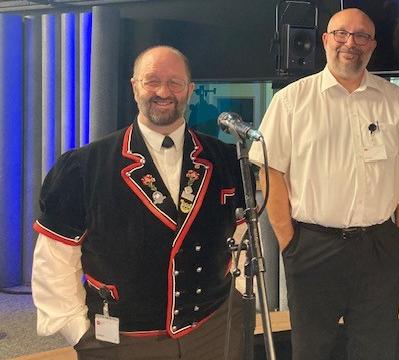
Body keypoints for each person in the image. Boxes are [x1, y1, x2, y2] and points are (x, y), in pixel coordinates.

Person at [32, 46, 246, 359]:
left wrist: (236, 301)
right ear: (134, 87)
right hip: (123, 340)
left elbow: (241, 239)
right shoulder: (84, 167)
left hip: (214, 330)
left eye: (175, 83)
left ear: (190, 90)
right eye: (152, 81)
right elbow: (55, 260)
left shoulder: (226, 159)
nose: (163, 91)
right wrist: (78, 332)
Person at [249, 8, 399, 360]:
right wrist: (288, 241)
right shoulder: (291, 100)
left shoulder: (394, 99)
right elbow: (270, 171)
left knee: (376, 348)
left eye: (361, 36)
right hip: (312, 247)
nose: (350, 43)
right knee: (312, 349)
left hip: (379, 246)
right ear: (325, 40)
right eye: (341, 34)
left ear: (372, 45)